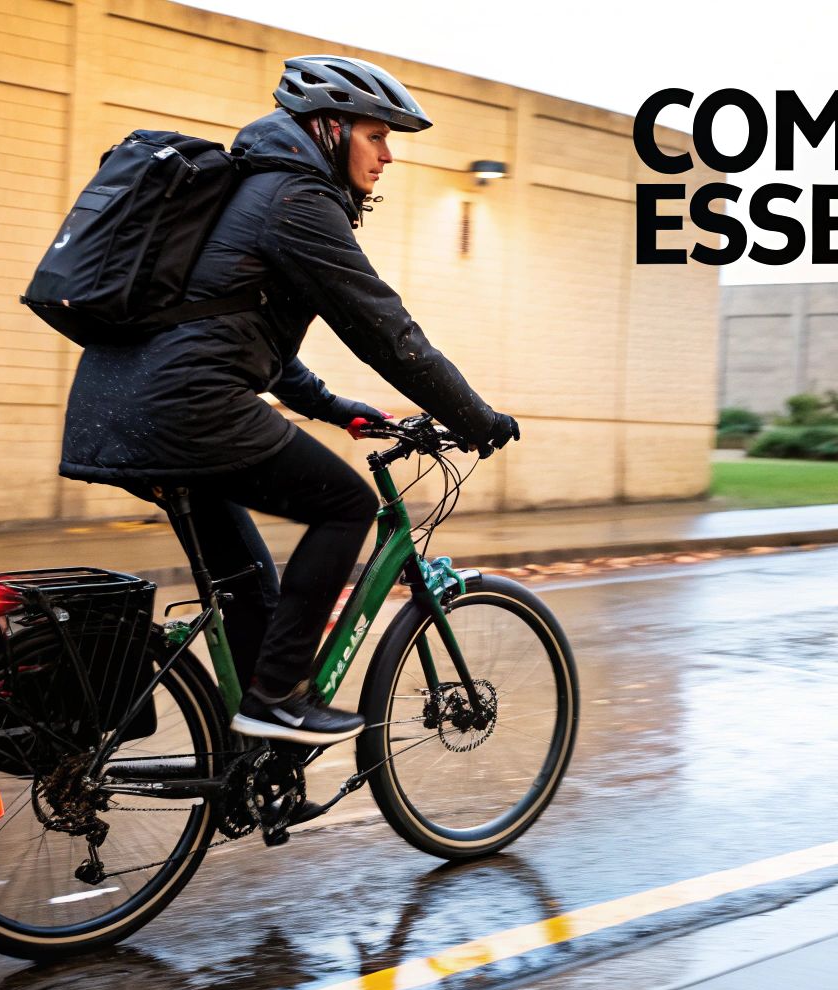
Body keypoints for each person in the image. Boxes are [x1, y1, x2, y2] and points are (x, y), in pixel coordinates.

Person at [58, 55, 519, 746]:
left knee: (248, 582)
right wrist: (473, 418)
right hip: (189, 407)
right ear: (329, 128)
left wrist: (337, 408)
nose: (389, 155)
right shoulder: (296, 201)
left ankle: (260, 759)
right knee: (347, 505)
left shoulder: (257, 191)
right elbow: (385, 329)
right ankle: (275, 699)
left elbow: (237, 332)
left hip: (127, 404)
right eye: (376, 135)